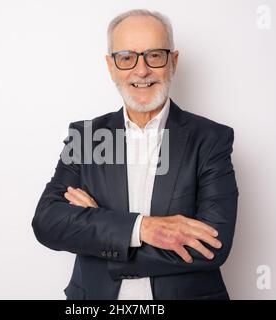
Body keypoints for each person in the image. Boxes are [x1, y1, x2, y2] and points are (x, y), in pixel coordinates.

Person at [32, 9, 238, 300]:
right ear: (111, 66)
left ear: (173, 62)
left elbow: (211, 247)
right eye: (127, 57)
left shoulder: (210, 139)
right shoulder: (86, 137)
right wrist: (143, 228)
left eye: (154, 55)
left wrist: (99, 229)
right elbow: (48, 222)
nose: (141, 71)